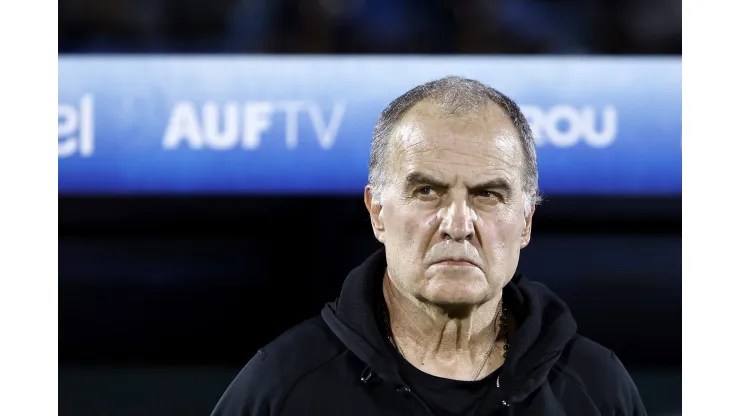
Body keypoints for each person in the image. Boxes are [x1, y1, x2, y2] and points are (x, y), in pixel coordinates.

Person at [211, 76, 646, 415]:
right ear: (377, 212)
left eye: (487, 195)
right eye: (427, 192)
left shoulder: (597, 388)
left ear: (526, 222)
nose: (457, 225)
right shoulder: (282, 387)